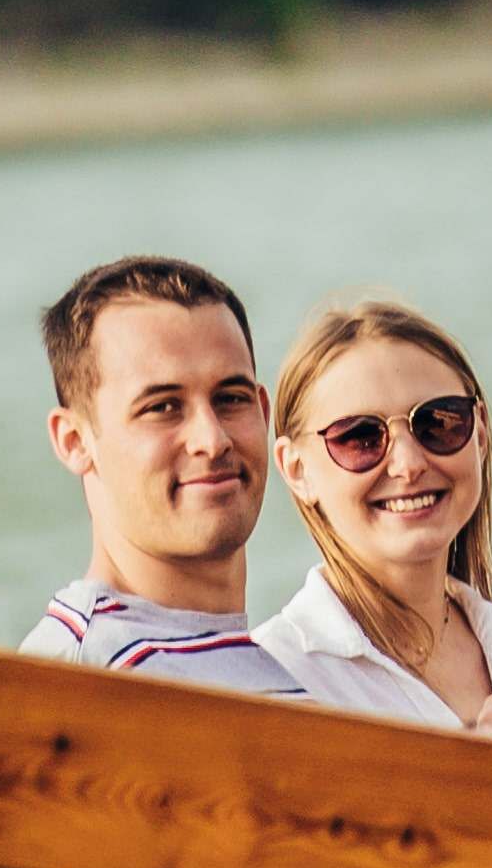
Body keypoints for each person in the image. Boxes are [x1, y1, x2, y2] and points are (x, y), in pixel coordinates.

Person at [246, 292, 492, 750]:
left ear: (480, 433)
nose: (407, 463)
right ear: (296, 470)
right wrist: (470, 779)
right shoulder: (273, 678)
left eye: (439, 423)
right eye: (361, 438)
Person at [24, 252, 311, 693]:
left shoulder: (273, 664)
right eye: (162, 408)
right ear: (75, 441)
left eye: (230, 398)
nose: (212, 440)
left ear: (264, 411)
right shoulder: (75, 684)